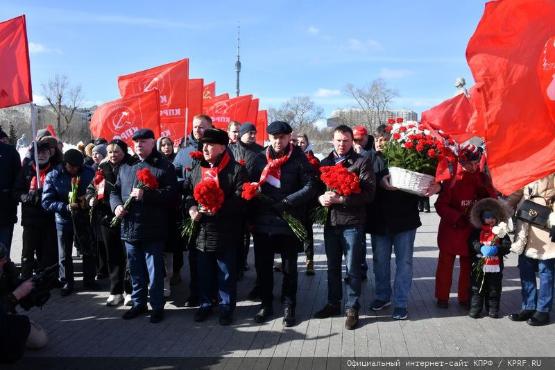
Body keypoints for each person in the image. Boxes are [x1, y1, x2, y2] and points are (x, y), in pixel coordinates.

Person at [367, 126, 440, 320]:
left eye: (384, 139)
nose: (380, 143)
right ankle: (383, 296)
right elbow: (364, 182)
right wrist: (380, 181)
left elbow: (435, 176)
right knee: (380, 262)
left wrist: (437, 186)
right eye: (377, 139)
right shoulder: (369, 159)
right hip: (379, 221)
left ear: (393, 141)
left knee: (404, 263)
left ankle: (401, 302)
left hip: (405, 219)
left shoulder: (408, 155)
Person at [250, 121, 318, 327]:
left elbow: (310, 186)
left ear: (289, 137)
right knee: (263, 266)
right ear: (269, 138)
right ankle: (266, 304)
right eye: (274, 137)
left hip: (289, 220)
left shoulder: (299, 158)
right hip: (264, 221)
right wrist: (260, 199)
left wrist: (288, 202)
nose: (278, 141)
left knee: (289, 268)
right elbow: (250, 185)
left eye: (282, 137)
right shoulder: (260, 158)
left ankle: (289, 305)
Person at [110, 129, 178, 323]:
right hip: (129, 228)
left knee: (155, 272)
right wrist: (116, 206)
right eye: (136, 141)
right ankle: (138, 303)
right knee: (135, 270)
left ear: (152, 142)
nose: (139, 144)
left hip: (152, 230)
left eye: (143, 141)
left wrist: (147, 195)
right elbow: (114, 191)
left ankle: (157, 306)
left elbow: (172, 196)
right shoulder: (126, 165)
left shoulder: (164, 166)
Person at [313, 125, 375, 330]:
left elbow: (368, 194)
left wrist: (342, 199)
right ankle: (333, 303)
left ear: (352, 141)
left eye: (346, 141)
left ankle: (352, 307)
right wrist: (320, 198)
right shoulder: (325, 162)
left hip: (352, 223)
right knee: (332, 268)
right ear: (332, 140)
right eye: (338, 140)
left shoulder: (361, 162)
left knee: (352, 268)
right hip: (331, 223)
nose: (342, 144)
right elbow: (315, 190)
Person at [184, 129, 247, 325]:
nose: (205, 148)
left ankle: (226, 307)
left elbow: (241, 198)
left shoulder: (236, 170)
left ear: (222, 147)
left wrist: (218, 208)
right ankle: (205, 304)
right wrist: (192, 208)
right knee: (204, 272)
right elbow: (187, 194)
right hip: (202, 231)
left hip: (226, 231)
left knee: (225, 273)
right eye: (203, 144)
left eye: (210, 144)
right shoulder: (197, 169)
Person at [434, 145, 496, 309]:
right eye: (471, 163)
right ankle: (442, 297)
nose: (474, 167)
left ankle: (465, 297)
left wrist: (485, 187)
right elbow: (441, 205)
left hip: (470, 229)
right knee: (445, 266)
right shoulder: (452, 177)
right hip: (451, 228)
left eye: (477, 163)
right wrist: (457, 217)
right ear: (463, 161)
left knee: (468, 266)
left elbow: (491, 198)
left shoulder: (479, 176)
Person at [86, 140, 135, 306]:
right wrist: (90, 199)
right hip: (106, 219)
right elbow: (92, 188)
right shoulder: (102, 167)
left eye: (117, 152)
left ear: (124, 152)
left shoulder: (132, 165)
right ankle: (115, 291)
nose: (113, 155)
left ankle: (130, 290)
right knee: (112, 256)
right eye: (111, 152)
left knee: (128, 257)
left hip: (126, 217)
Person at [42, 149, 96, 296]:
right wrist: (64, 207)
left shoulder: (88, 172)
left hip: (84, 218)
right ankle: (67, 282)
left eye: (77, 167)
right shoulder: (53, 175)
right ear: (65, 164)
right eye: (71, 166)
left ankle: (90, 279)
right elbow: (47, 201)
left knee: (88, 250)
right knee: (64, 253)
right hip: (64, 219)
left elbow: (96, 189)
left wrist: (89, 198)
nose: (74, 169)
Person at [173, 115, 212, 307]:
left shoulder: (218, 148)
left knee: (211, 255)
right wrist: (185, 185)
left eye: (202, 127)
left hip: (213, 208)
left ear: (210, 127)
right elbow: (175, 175)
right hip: (190, 208)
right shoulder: (184, 151)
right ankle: (194, 292)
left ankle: (212, 292)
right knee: (194, 255)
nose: (198, 130)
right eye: (196, 126)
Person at [507, 173, 555, 326]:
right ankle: (528, 306)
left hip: (546, 224)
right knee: (525, 268)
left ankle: (543, 310)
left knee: (546, 270)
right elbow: (517, 192)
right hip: (525, 224)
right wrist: (504, 208)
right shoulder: (530, 166)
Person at [13, 141, 58, 279]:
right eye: (38, 152)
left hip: (48, 218)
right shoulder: (26, 170)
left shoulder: (55, 170)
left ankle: (48, 278)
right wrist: (26, 197)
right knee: (27, 251)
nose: (41, 155)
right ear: (33, 154)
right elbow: (16, 192)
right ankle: (25, 278)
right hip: (30, 219)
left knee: (47, 251)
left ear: (50, 153)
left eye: (44, 152)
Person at [0, 242, 48, 364]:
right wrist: (17, 295)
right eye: (1, 260)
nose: (4, 262)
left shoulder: (5, 269)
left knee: (40, 339)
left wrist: (28, 288)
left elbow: (15, 284)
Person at [468, 198, 511, 318]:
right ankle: (475, 308)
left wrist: (497, 249)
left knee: (494, 288)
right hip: (479, 265)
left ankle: (493, 309)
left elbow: (507, 246)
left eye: (493, 217)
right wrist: (480, 247)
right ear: (482, 217)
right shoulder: (477, 231)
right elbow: (472, 241)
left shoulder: (501, 232)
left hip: (495, 267)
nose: (490, 220)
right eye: (487, 217)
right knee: (477, 287)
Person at [156, 136, 182, 296]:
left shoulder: (177, 160)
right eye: (163, 145)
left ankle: (175, 272)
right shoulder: (156, 162)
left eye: (169, 144)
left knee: (174, 246)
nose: (166, 147)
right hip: (161, 209)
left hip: (175, 208)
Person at [296, 133, 320, 275]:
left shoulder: (314, 160)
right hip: (293, 202)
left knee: (307, 233)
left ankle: (309, 260)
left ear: (307, 143)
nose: (300, 144)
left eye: (302, 142)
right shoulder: (290, 158)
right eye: (297, 142)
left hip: (308, 202)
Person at [0, 131, 21, 253]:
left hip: (5, 208)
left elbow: (18, 180)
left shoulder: (10, 152)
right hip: (7, 207)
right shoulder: (11, 151)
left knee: (3, 248)